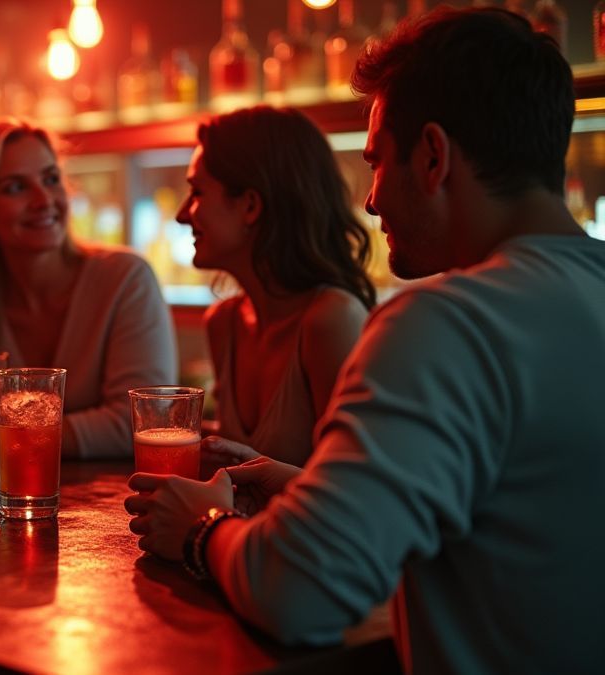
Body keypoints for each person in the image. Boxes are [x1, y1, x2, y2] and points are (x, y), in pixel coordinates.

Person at [126, 7, 605, 674]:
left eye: (377, 161)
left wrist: (204, 531)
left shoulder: (443, 326)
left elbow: (300, 591)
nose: (372, 200)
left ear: (433, 156)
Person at [0, 119, 177, 458]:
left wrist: (11, 440)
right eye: (15, 188)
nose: (44, 199)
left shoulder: (125, 279)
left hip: (115, 505)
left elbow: (143, 422)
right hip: (1, 505)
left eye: (51, 179)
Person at [176, 105, 375, 469]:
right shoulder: (224, 323)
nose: (182, 213)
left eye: (197, 192)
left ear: (250, 205)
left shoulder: (332, 320)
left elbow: (358, 490)